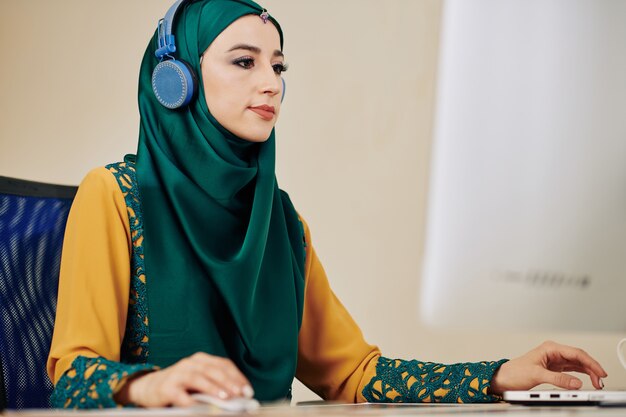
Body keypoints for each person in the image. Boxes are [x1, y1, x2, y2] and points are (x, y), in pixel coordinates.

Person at [46, 0, 607, 409]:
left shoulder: (281, 221)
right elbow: (72, 376)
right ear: (176, 80)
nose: (271, 83)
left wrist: (498, 374)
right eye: (245, 62)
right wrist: (147, 385)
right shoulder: (116, 197)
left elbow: (356, 375)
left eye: (278, 66)